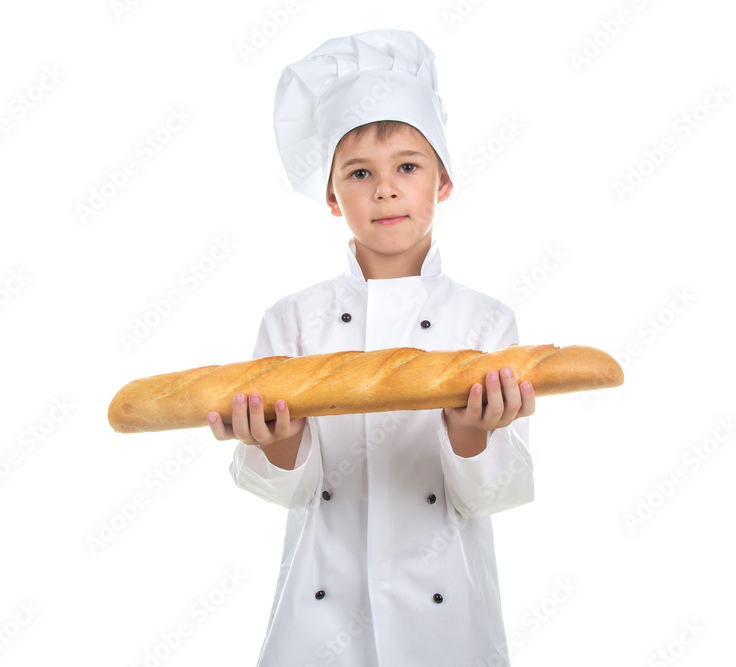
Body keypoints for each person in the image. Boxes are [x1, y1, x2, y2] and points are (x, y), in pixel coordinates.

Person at [208, 29, 536, 666]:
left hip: (448, 629)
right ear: (332, 196)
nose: (385, 189)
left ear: (443, 181)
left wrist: (471, 435)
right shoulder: (291, 321)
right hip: (318, 622)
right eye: (360, 173)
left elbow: (499, 495)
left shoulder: (486, 324)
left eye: (407, 167)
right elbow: (282, 491)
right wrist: (277, 443)